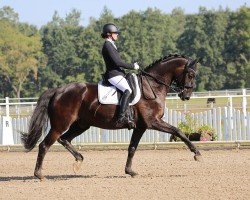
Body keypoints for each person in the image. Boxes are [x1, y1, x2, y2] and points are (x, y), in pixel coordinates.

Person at [101, 23, 139, 128]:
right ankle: (122, 117)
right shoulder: (107, 45)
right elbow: (117, 62)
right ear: (109, 34)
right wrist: (132, 66)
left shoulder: (111, 44)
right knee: (128, 90)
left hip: (118, 73)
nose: (117, 34)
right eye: (115, 33)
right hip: (113, 75)